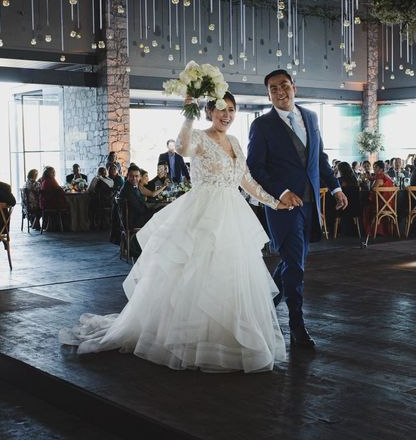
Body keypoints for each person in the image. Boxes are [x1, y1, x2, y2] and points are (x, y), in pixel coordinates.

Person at [61, 91, 289, 373]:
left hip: (232, 216)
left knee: (232, 277)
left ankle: (229, 340)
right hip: (203, 215)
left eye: (231, 109)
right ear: (208, 112)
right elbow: (181, 148)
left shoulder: (235, 141)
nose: (226, 114)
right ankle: (190, 341)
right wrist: (189, 115)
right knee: (196, 275)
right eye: (220, 109)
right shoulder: (200, 137)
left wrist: (275, 202)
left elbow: (247, 181)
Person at [247, 69, 347, 349]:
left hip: (310, 205)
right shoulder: (262, 126)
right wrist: (281, 191)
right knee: (295, 265)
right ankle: (296, 326)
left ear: (294, 87)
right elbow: (255, 167)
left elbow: (320, 157)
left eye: (284, 86)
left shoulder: (311, 117)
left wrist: (336, 187)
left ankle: (266, 307)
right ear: (268, 94)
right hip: (282, 207)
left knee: (293, 262)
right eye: (273, 89)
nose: (280, 92)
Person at [362, 160, 395, 237]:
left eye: (375, 167)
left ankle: (372, 231)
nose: (374, 169)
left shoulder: (380, 178)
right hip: (390, 204)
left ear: (381, 169)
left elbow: (373, 190)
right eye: (373, 167)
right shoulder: (385, 176)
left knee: (366, 208)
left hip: (381, 205)